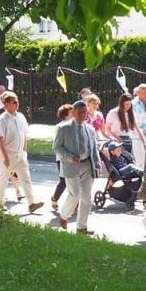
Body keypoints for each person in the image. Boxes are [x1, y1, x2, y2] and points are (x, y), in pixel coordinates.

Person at [52, 100, 99, 233]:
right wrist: (70, 157)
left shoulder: (90, 129)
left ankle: (81, 227)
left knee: (87, 198)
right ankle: (63, 216)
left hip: (87, 166)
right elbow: (56, 148)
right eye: (79, 112)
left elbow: (93, 148)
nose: (83, 114)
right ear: (73, 113)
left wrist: (97, 163)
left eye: (84, 112)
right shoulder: (63, 128)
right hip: (71, 166)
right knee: (75, 194)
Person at [0, 92, 39, 211]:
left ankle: (32, 203)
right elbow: (0, 139)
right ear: (6, 104)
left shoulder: (21, 116)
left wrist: (25, 151)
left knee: (26, 178)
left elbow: (24, 134)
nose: (17, 104)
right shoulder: (2, 119)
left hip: (20, 154)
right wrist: (6, 157)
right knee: (3, 178)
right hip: (8, 154)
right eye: (14, 102)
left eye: (17, 101)